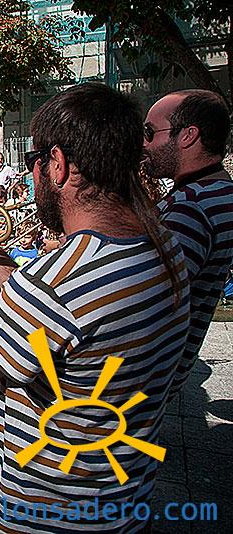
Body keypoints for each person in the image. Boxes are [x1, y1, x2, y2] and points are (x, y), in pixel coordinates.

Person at [0, 82, 191, 533]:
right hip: (119, 503)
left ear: (59, 164)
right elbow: (55, 320)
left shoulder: (51, 283)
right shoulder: (165, 247)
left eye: (36, 160)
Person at [144, 89, 233, 398]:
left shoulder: (191, 208)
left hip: (140, 378)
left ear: (188, 135)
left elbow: (145, 299)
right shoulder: (214, 192)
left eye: (150, 133)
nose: (144, 143)